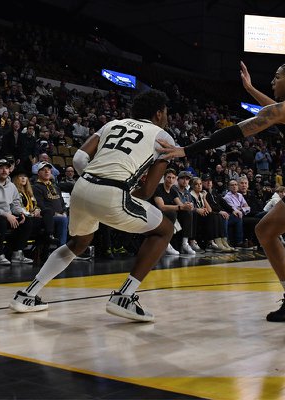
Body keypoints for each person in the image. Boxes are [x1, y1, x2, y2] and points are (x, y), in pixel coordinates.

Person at [158, 60, 285, 322]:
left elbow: (237, 131)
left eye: (277, 77)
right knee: (265, 230)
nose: (273, 81)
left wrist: (187, 150)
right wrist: (250, 89)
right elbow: (274, 109)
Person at [10, 89, 175, 321]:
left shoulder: (112, 124)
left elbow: (78, 159)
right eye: (166, 112)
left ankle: (27, 295)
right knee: (165, 229)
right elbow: (147, 192)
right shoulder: (164, 137)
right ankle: (124, 296)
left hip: (82, 186)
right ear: (159, 113)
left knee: (78, 242)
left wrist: (94, 183)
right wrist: (117, 192)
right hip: (113, 192)